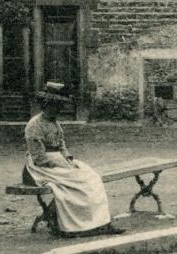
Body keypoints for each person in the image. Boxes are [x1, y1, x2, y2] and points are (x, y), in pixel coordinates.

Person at [23, 82, 121, 237]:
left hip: (59, 161)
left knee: (92, 176)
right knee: (79, 181)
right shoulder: (34, 125)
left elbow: (62, 145)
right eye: (55, 105)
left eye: (60, 106)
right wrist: (61, 164)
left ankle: (100, 222)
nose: (59, 109)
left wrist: (68, 159)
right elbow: (38, 157)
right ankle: (75, 226)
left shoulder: (55, 123)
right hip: (41, 167)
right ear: (46, 105)